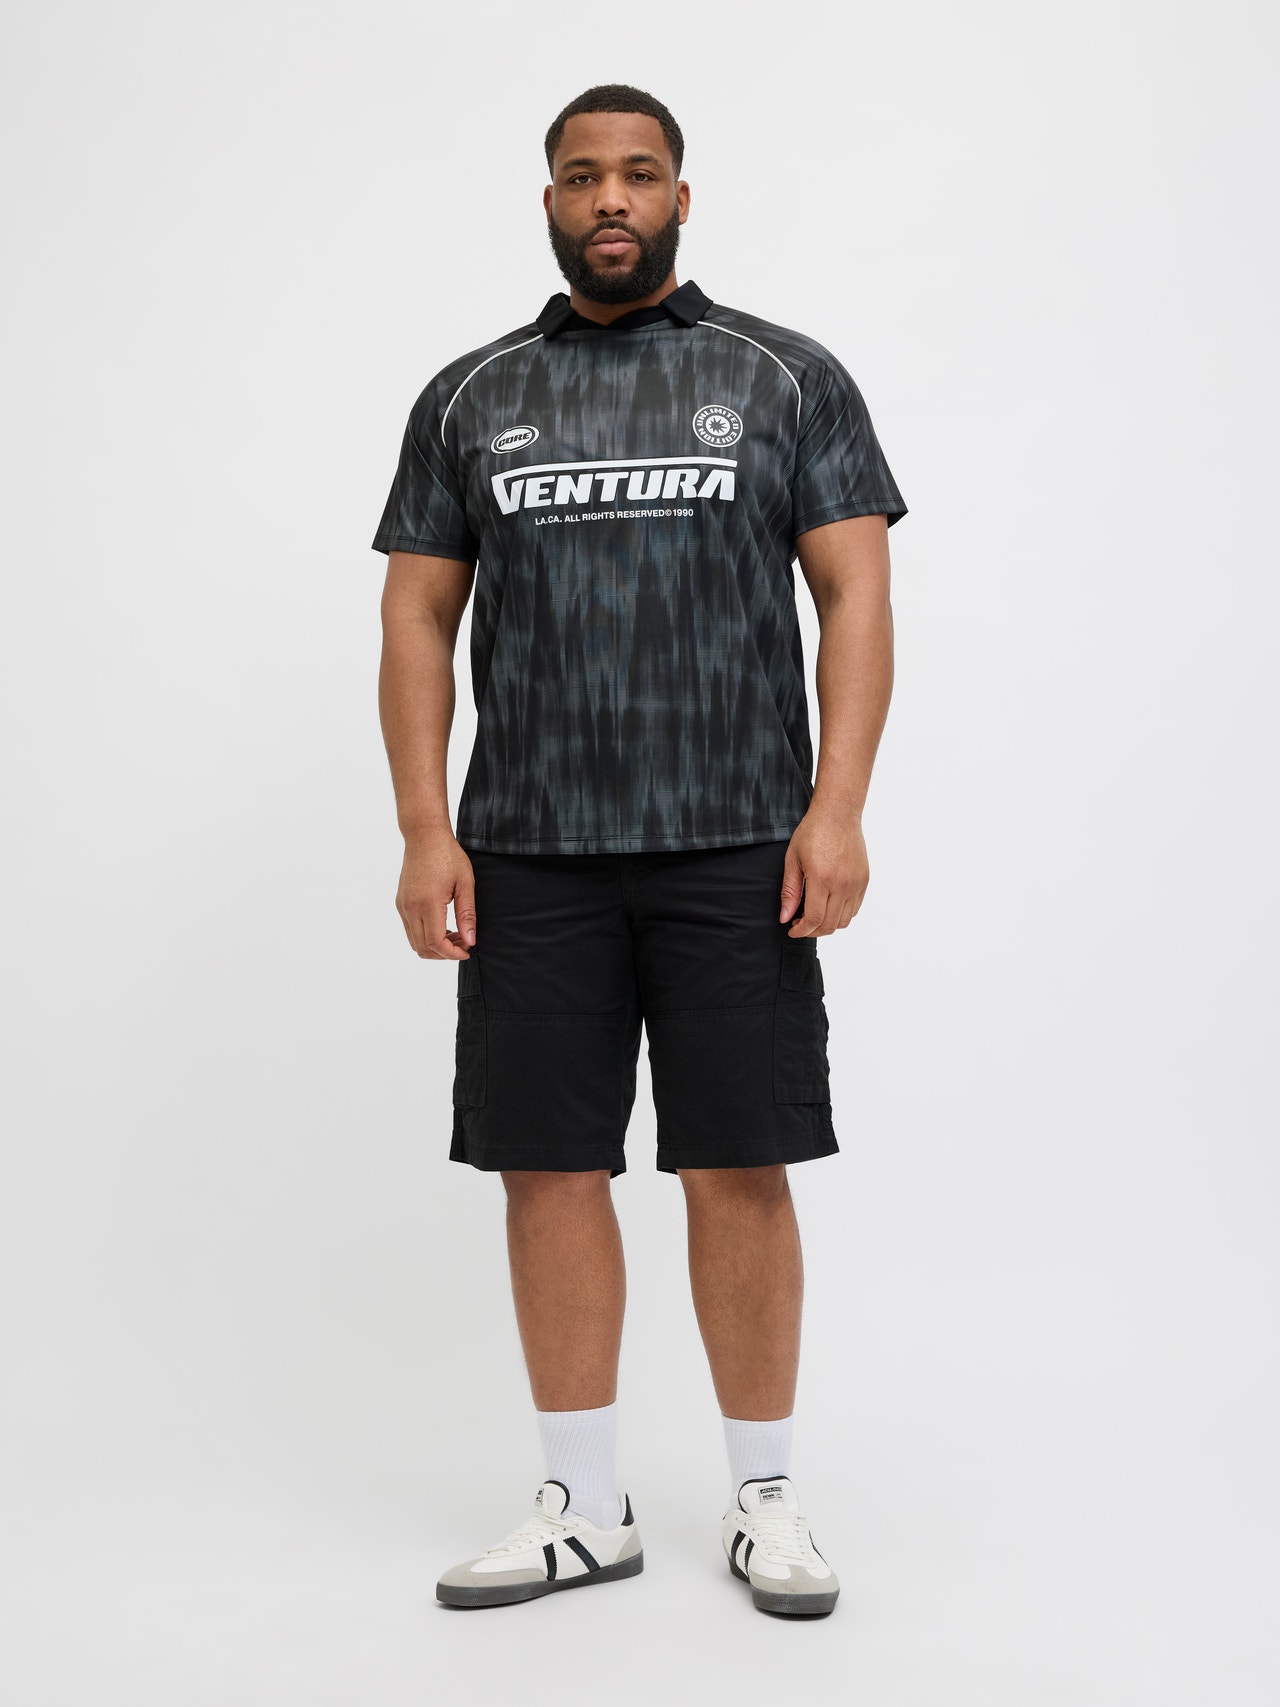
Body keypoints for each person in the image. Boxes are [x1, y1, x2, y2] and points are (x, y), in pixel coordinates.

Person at [372, 83, 907, 1617]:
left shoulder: (785, 378)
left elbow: (856, 597)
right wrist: (425, 830)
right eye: (581, 175)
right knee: (547, 1168)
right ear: (548, 201)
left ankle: (765, 1497)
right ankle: (583, 1505)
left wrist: (838, 808)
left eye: (639, 173)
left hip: (739, 846)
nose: (611, 197)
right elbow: (415, 615)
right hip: (529, 852)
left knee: (738, 1163)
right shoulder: (472, 396)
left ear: (681, 195)